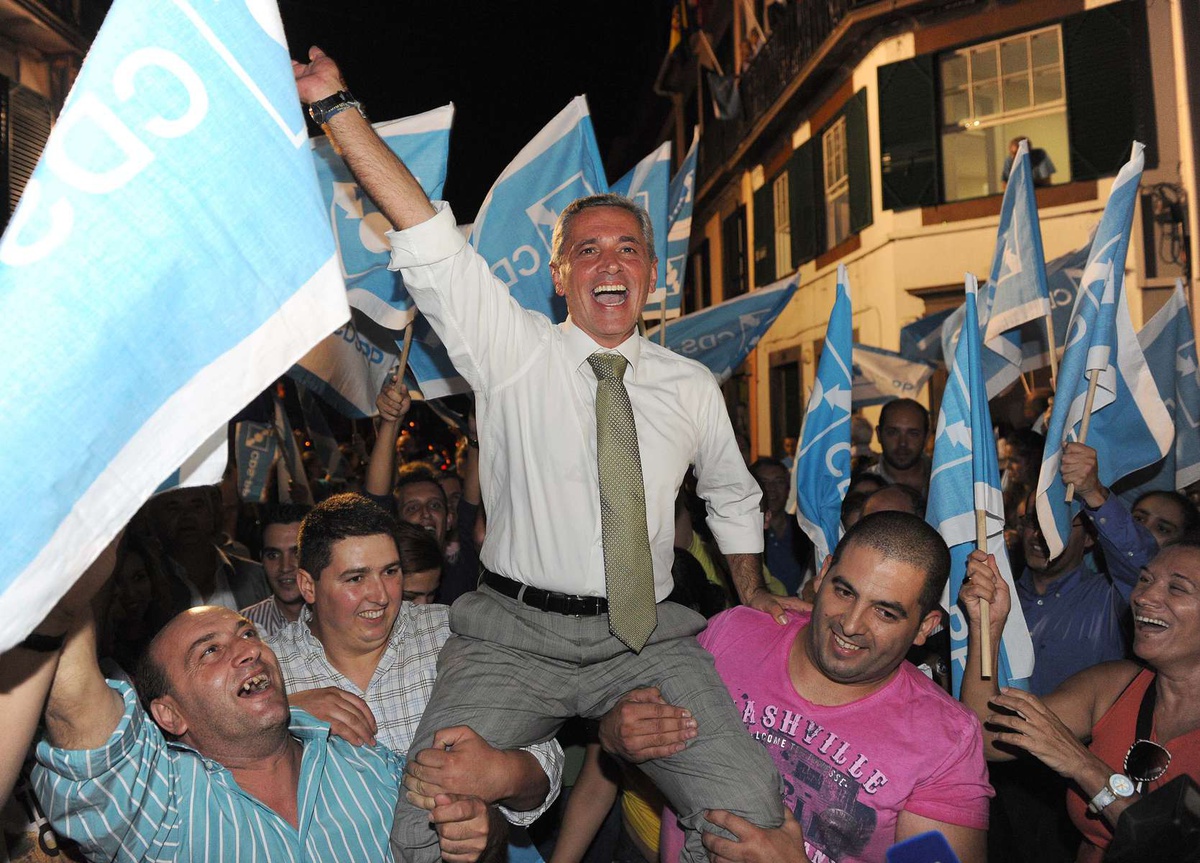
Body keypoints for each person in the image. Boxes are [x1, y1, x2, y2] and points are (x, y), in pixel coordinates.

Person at [292, 46, 802, 863]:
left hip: (648, 642)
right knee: (424, 827)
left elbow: (735, 497)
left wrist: (749, 589)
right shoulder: (512, 350)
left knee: (750, 814)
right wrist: (336, 108)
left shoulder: (691, 385)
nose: (610, 262)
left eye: (628, 248)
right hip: (511, 639)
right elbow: (428, 238)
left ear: (652, 274)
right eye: (590, 249)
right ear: (560, 274)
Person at [29, 575, 497, 860]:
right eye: (210, 651)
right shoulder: (162, 808)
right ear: (169, 715)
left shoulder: (369, 765)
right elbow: (75, 710)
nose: (249, 650)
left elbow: (470, 841)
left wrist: (477, 831)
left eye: (247, 633)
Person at [651, 511, 992, 862]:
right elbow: (647, 727)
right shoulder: (733, 634)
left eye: (885, 613)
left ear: (925, 626)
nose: (851, 623)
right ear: (823, 574)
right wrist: (618, 732)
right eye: (844, 591)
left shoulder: (944, 740)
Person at [265, 493, 560, 858]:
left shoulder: (450, 636)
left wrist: (500, 776)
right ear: (308, 585)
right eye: (356, 578)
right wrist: (281, 714)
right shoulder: (269, 672)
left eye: (390, 572)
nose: (380, 595)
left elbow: (543, 759)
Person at [960, 541, 1200, 862]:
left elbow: (1173, 852)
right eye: (1144, 580)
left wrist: (1083, 765)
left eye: (1177, 588)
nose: (1144, 597)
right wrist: (986, 627)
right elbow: (987, 740)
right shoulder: (1113, 686)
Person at [146, 484, 270, 614]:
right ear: (156, 517)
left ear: (213, 512)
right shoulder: (149, 585)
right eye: (173, 508)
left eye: (197, 506)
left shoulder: (255, 576)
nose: (187, 516)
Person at [241, 503, 311, 636]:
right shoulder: (243, 628)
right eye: (273, 555)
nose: (285, 567)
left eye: (297, 554)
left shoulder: (343, 618)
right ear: (262, 560)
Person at [751, 456, 811, 596]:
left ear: (789, 488)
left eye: (779, 482)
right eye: (764, 482)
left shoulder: (805, 529)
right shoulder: (745, 533)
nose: (771, 489)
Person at [868, 399, 931, 496]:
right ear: (879, 434)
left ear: (926, 437)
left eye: (913, 434)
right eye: (893, 433)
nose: (902, 443)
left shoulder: (947, 480)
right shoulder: (863, 487)